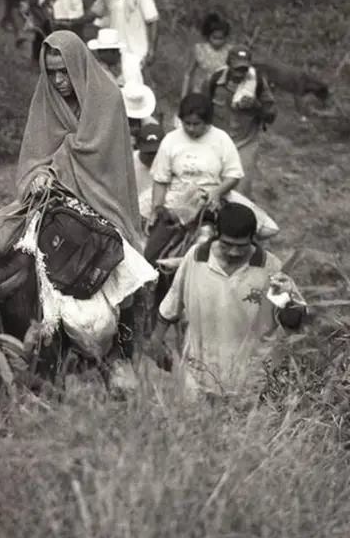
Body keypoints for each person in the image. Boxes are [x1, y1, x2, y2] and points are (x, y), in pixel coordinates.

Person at [0, 30, 158, 389]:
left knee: (119, 263)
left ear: (79, 65)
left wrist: (57, 166)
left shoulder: (108, 99)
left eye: (64, 72)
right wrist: (39, 176)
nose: (58, 81)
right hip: (51, 200)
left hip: (100, 202)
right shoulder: (45, 101)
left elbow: (101, 157)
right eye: (51, 72)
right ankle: (3, 346)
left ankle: (118, 354)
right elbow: (33, 157)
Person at [149, 202, 306, 400]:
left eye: (241, 246)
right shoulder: (196, 258)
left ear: (253, 238)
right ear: (216, 233)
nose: (233, 252)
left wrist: (290, 300)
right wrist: (156, 340)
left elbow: (292, 322)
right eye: (227, 245)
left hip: (250, 383)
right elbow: (172, 302)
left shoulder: (269, 267)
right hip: (198, 375)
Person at [144, 93, 244, 323]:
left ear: (207, 122)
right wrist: (157, 208)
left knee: (236, 239)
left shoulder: (221, 140)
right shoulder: (171, 140)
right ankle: (156, 309)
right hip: (176, 201)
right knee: (151, 255)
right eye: (187, 123)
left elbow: (233, 175)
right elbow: (160, 178)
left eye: (196, 124)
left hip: (211, 200)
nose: (191, 128)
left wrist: (216, 192)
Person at [204, 46, 277, 198]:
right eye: (237, 68)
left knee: (239, 192)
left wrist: (256, 105)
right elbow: (201, 107)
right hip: (216, 142)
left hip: (245, 144)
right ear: (228, 65)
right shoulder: (215, 79)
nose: (240, 73)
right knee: (209, 187)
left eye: (244, 69)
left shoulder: (257, 82)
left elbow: (271, 115)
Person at [91, 0, 159, 78]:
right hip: (115, 53)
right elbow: (95, 13)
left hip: (137, 52)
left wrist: (152, 50)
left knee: (134, 84)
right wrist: (72, 22)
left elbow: (152, 20)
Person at [181, 11, 232, 96]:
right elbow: (188, 74)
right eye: (214, 38)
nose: (218, 42)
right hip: (199, 93)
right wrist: (183, 96)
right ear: (208, 36)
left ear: (226, 38)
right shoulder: (200, 50)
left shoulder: (230, 51)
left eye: (221, 38)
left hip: (220, 94)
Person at [130, 123, 163, 228]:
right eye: (148, 153)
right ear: (138, 146)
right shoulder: (127, 163)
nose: (152, 157)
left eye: (155, 152)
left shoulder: (168, 166)